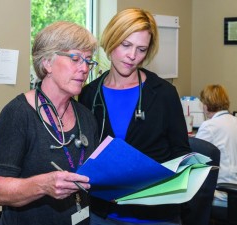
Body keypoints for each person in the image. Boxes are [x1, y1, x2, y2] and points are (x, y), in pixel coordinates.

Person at [79, 8, 216, 225]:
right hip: (103, 213)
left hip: (154, 214)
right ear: (111, 39)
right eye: (126, 45)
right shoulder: (89, 94)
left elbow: (181, 153)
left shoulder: (163, 93)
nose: (133, 56)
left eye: (141, 49)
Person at [0, 21, 100, 225]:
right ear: (47, 62)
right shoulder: (17, 114)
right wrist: (43, 185)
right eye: (75, 58)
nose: (84, 69)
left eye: (89, 61)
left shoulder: (85, 116)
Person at [195, 84, 237, 209]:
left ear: (207, 105)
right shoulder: (235, 121)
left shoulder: (209, 126)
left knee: (186, 199)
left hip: (226, 194)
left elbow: (195, 158)